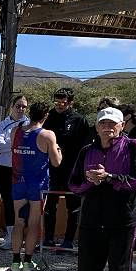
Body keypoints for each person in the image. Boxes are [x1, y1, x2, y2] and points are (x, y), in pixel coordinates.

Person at [68, 107, 136, 271]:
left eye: (113, 123)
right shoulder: (87, 150)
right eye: (103, 123)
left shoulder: (134, 146)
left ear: (122, 125)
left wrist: (109, 178)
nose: (107, 127)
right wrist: (90, 182)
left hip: (121, 220)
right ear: (97, 126)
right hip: (92, 218)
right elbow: (73, 183)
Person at [10, 102, 61, 271]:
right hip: (37, 185)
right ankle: (27, 262)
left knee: (18, 222)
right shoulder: (47, 135)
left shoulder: (15, 131)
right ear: (46, 116)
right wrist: (58, 150)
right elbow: (56, 162)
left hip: (18, 182)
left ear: (30, 113)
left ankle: (15, 262)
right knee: (33, 223)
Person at [42, 87, 89, 249]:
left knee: (73, 206)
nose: (59, 105)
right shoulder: (48, 118)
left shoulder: (79, 120)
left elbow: (85, 146)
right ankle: (47, 238)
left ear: (70, 103)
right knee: (49, 205)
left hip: (72, 170)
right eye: (56, 102)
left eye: (63, 102)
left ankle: (68, 241)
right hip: (51, 169)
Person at [0, 96, 29, 250]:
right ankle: (10, 236)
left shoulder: (30, 124)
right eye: (18, 106)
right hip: (5, 169)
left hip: (24, 169)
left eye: (24, 106)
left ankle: (24, 236)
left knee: (24, 202)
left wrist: (11, 144)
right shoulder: (2, 125)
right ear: (11, 107)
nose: (21, 109)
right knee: (8, 201)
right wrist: (17, 144)